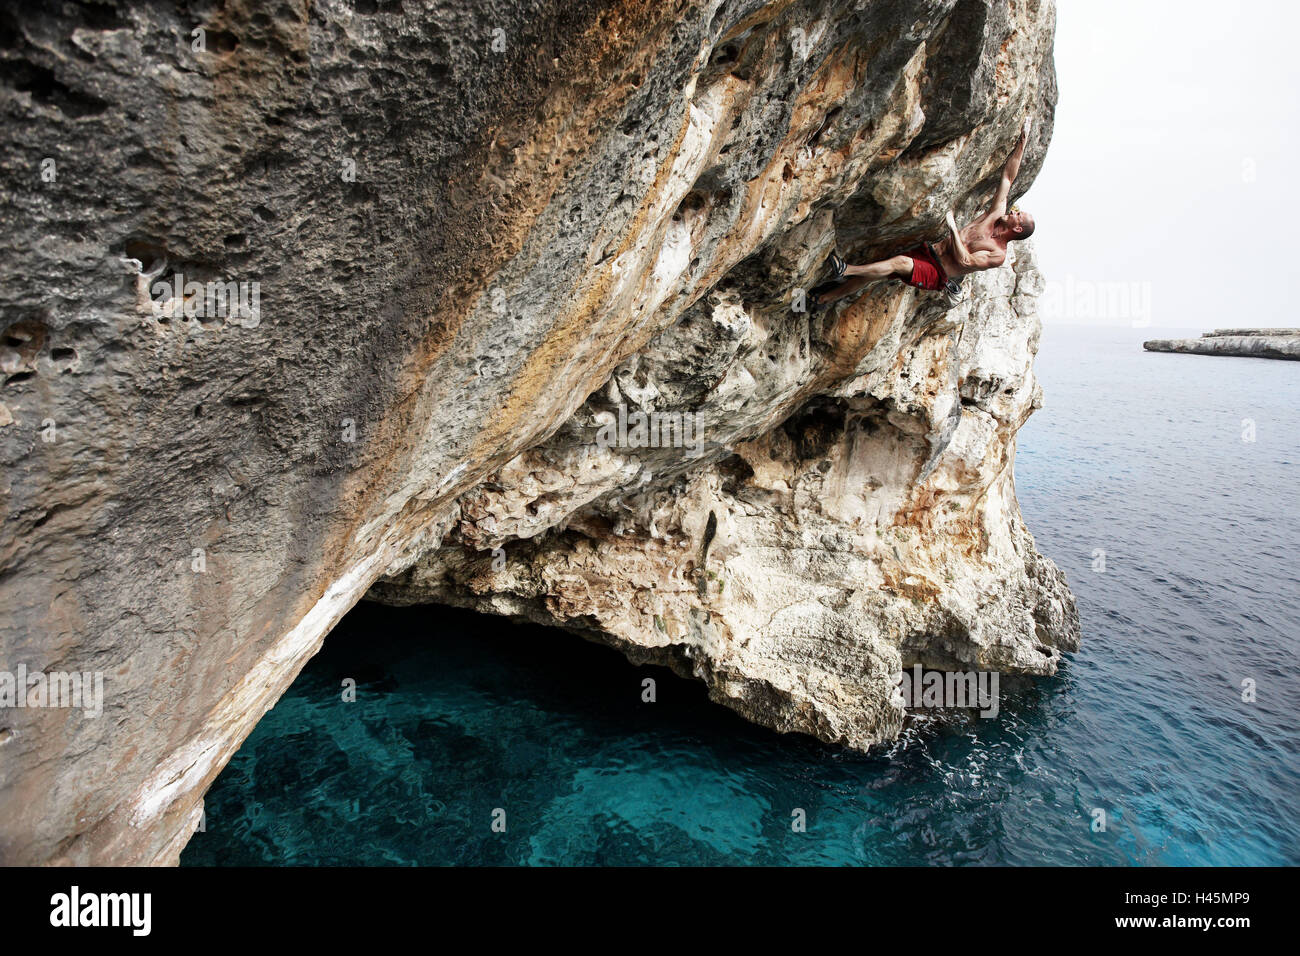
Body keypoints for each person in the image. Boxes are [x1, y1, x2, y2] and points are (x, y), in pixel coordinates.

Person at [815, 117, 1034, 308]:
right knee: (878, 272)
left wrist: (953, 229)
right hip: (930, 252)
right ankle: (825, 298)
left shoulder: (997, 254)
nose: (1015, 211)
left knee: (898, 262)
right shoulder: (995, 215)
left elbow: (966, 261)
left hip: (938, 273)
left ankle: (846, 270)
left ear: (1017, 228)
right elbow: (1007, 178)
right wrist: (1023, 140)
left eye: (1019, 215)